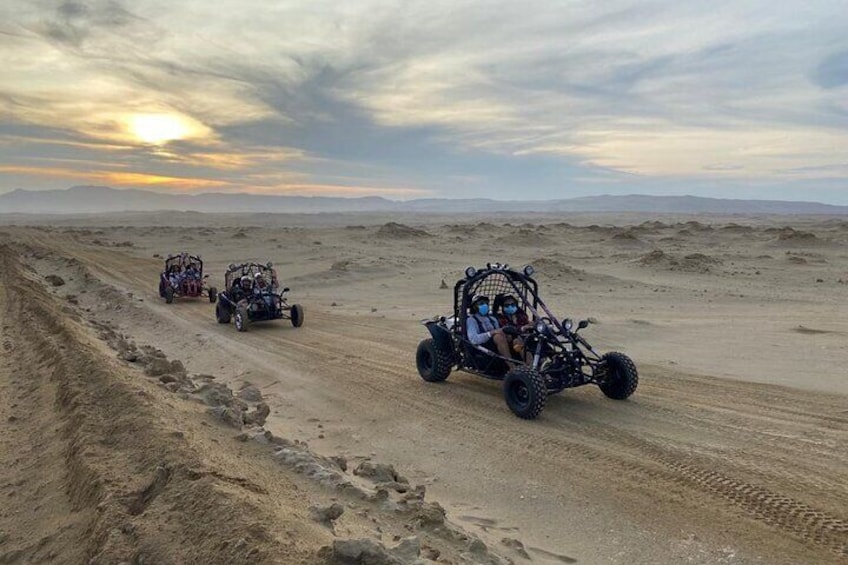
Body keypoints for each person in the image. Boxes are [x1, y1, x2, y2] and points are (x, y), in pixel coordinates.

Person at [465, 295, 514, 364]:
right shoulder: (471, 320)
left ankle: (529, 364)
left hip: (496, 346)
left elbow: (498, 331)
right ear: (475, 306)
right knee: (498, 337)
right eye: (481, 304)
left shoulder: (493, 319)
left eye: (486, 303)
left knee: (514, 338)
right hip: (482, 348)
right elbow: (474, 340)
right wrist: (490, 333)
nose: (485, 305)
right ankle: (512, 366)